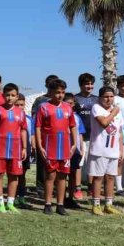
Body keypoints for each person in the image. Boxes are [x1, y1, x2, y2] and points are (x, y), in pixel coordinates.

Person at [35, 78, 78, 216]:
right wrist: (39, 145)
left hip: (65, 148)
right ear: (51, 92)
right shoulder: (43, 107)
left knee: (62, 177)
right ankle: (47, 204)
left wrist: (74, 144)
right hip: (49, 147)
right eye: (57, 92)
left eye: (63, 92)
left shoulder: (67, 107)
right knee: (50, 176)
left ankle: (60, 204)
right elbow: (37, 127)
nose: (60, 95)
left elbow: (72, 126)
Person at [0, 83, 27, 213]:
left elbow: (23, 130)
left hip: (16, 149)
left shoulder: (20, 112)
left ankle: (10, 203)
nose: (10, 98)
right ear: (4, 95)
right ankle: (0, 203)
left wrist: (25, 147)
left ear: (17, 97)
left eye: (13, 95)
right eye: (8, 95)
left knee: (14, 176)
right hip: (0, 147)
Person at [87, 86, 123, 215]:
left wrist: (121, 150)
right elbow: (104, 123)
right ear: (100, 98)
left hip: (113, 151)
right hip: (99, 150)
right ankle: (96, 204)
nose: (109, 99)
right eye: (106, 97)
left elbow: (119, 132)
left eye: (111, 96)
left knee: (110, 177)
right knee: (98, 178)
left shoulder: (117, 112)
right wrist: (114, 112)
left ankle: (108, 204)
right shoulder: (97, 108)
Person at [63, 92, 87, 208]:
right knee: (62, 175)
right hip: (62, 149)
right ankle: (61, 198)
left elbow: (80, 134)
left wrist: (81, 148)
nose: (70, 105)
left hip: (75, 150)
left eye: (72, 103)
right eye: (67, 103)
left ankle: (70, 197)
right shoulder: (60, 114)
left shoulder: (77, 117)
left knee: (73, 174)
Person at [15, 93, 35, 209]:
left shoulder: (28, 120)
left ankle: (21, 197)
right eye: (17, 104)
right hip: (13, 151)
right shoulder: (10, 117)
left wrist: (33, 147)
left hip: (25, 152)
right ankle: (13, 197)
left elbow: (32, 134)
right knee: (13, 176)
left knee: (22, 176)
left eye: (21, 105)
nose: (19, 107)